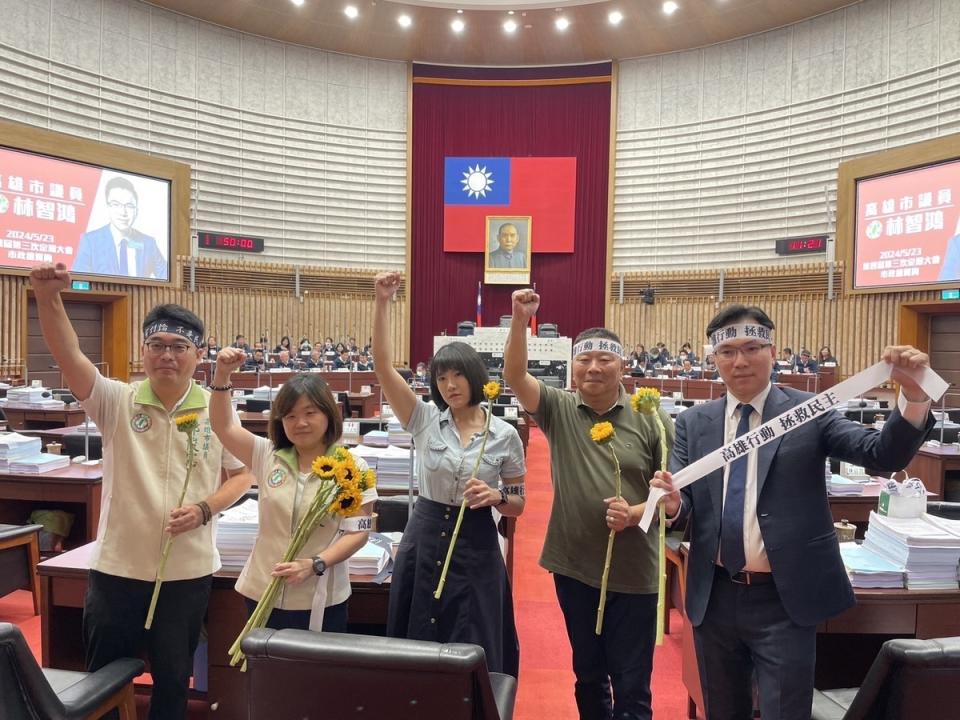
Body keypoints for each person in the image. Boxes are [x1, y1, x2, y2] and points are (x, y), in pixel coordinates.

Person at [651, 304, 934, 720]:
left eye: (752, 347)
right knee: (723, 711)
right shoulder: (695, 422)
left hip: (784, 599)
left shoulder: (809, 410)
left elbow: (881, 454)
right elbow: (685, 503)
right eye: (727, 351)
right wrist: (674, 506)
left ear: (773, 350)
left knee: (786, 712)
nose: (740, 360)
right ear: (713, 359)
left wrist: (913, 396)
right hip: (714, 596)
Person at [28, 262, 253, 719]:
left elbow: (244, 475)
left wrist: (206, 509)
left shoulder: (218, 411)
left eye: (179, 346)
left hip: (186, 573)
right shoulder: (117, 400)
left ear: (198, 354)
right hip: (118, 569)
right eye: (156, 345)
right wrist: (49, 298)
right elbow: (69, 355)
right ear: (143, 351)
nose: (166, 355)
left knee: (173, 680)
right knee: (105, 680)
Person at [503, 288, 673, 719]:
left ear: (623, 366)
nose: (594, 368)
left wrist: (636, 513)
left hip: (634, 573)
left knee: (633, 685)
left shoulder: (650, 417)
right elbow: (516, 377)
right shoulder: (560, 408)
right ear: (572, 367)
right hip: (575, 569)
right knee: (589, 675)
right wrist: (520, 321)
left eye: (605, 360)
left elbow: (673, 492)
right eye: (584, 360)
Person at [373, 271, 526, 677]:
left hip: (476, 541)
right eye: (441, 378)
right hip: (424, 535)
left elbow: (518, 504)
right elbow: (384, 368)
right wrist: (383, 302)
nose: (449, 385)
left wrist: (497, 499)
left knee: (473, 633)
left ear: (474, 377)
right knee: (418, 630)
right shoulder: (423, 419)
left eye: (457, 375)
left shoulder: (505, 434)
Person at [208, 348, 376, 632]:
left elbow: (359, 531)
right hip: (262, 590)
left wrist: (316, 564)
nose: (300, 423)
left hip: (320, 596)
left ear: (329, 415)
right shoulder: (266, 454)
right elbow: (223, 426)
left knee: (314, 676)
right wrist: (222, 375)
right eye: (290, 416)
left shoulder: (353, 467)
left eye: (310, 413)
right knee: (263, 672)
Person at [73, 177, 168, 280]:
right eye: (116, 204)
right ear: (107, 207)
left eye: (129, 206)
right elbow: (79, 280)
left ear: (137, 210)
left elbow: (168, 277)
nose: (123, 212)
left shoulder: (149, 243)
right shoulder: (90, 241)